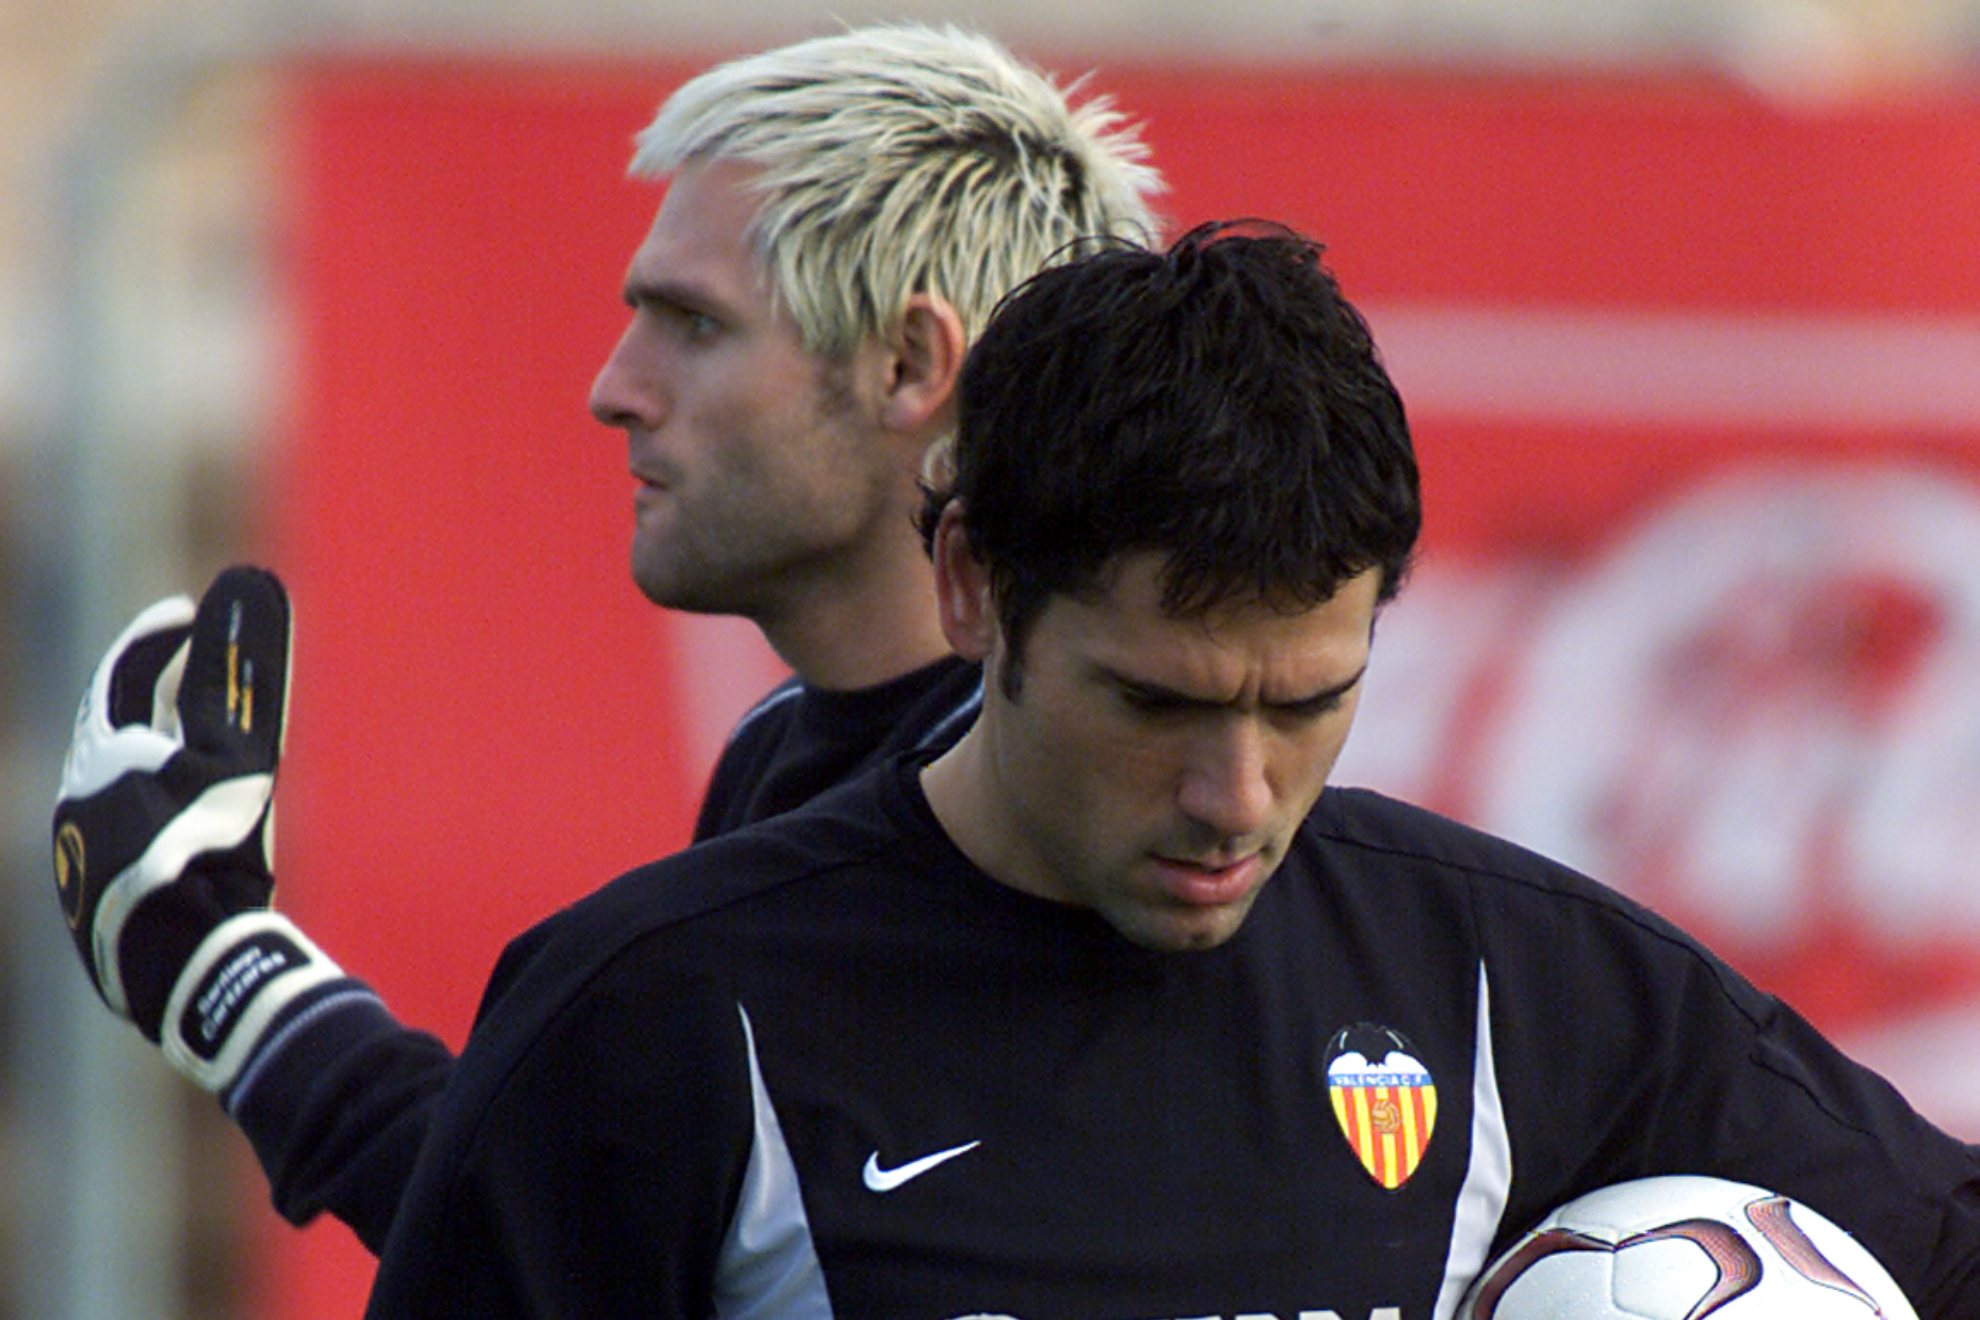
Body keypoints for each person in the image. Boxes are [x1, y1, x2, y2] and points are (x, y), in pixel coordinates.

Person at [359, 223, 1980, 1317]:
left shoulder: (1503, 984)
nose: (1239, 796)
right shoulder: (659, 1017)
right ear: (973, 584)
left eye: (1309, 705)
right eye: (1159, 704)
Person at [48, 23, 1162, 1257]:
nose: (614, 386)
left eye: (693, 324)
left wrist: (222, 970)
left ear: (910, 365)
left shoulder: (1030, 817)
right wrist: (224, 965)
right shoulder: (803, 752)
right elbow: (598, 1227)